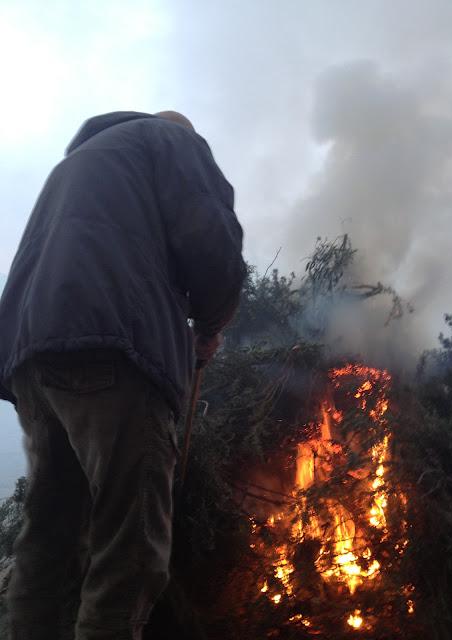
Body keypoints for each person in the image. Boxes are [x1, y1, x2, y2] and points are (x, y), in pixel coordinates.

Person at [0, 110, 246, 640]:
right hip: (113, 348)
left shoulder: (77, 165)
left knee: (49, 535)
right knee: (129, 550)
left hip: (32, 358)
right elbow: (208, 234)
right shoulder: (169, 139)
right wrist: (210, 323)